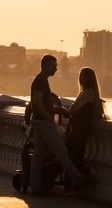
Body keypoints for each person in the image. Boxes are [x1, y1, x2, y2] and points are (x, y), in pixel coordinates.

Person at [27, 54, 87, 195]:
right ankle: (79, 179)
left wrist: (58, 109)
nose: (56, 69)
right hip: (43, 123)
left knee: (38, 155)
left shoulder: (41, 81)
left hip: (40, 121)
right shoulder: (40, 81)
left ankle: (35, 187)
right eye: (54, 66)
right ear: (46, 65)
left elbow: (42, 104)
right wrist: (48, 116)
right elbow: (36, 102)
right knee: (61, 151)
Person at [66, 67, 105, 177]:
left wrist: (74, 110)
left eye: (83, 76)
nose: (80, 78)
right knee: (76, 155)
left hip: (80, 130)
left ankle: (85, 177)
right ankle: (79, 181)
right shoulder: (88, 93)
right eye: (80, 75)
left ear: (89, 79)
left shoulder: (87, 93)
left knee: (70, 154)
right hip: (81, 130)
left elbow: (73, 108)